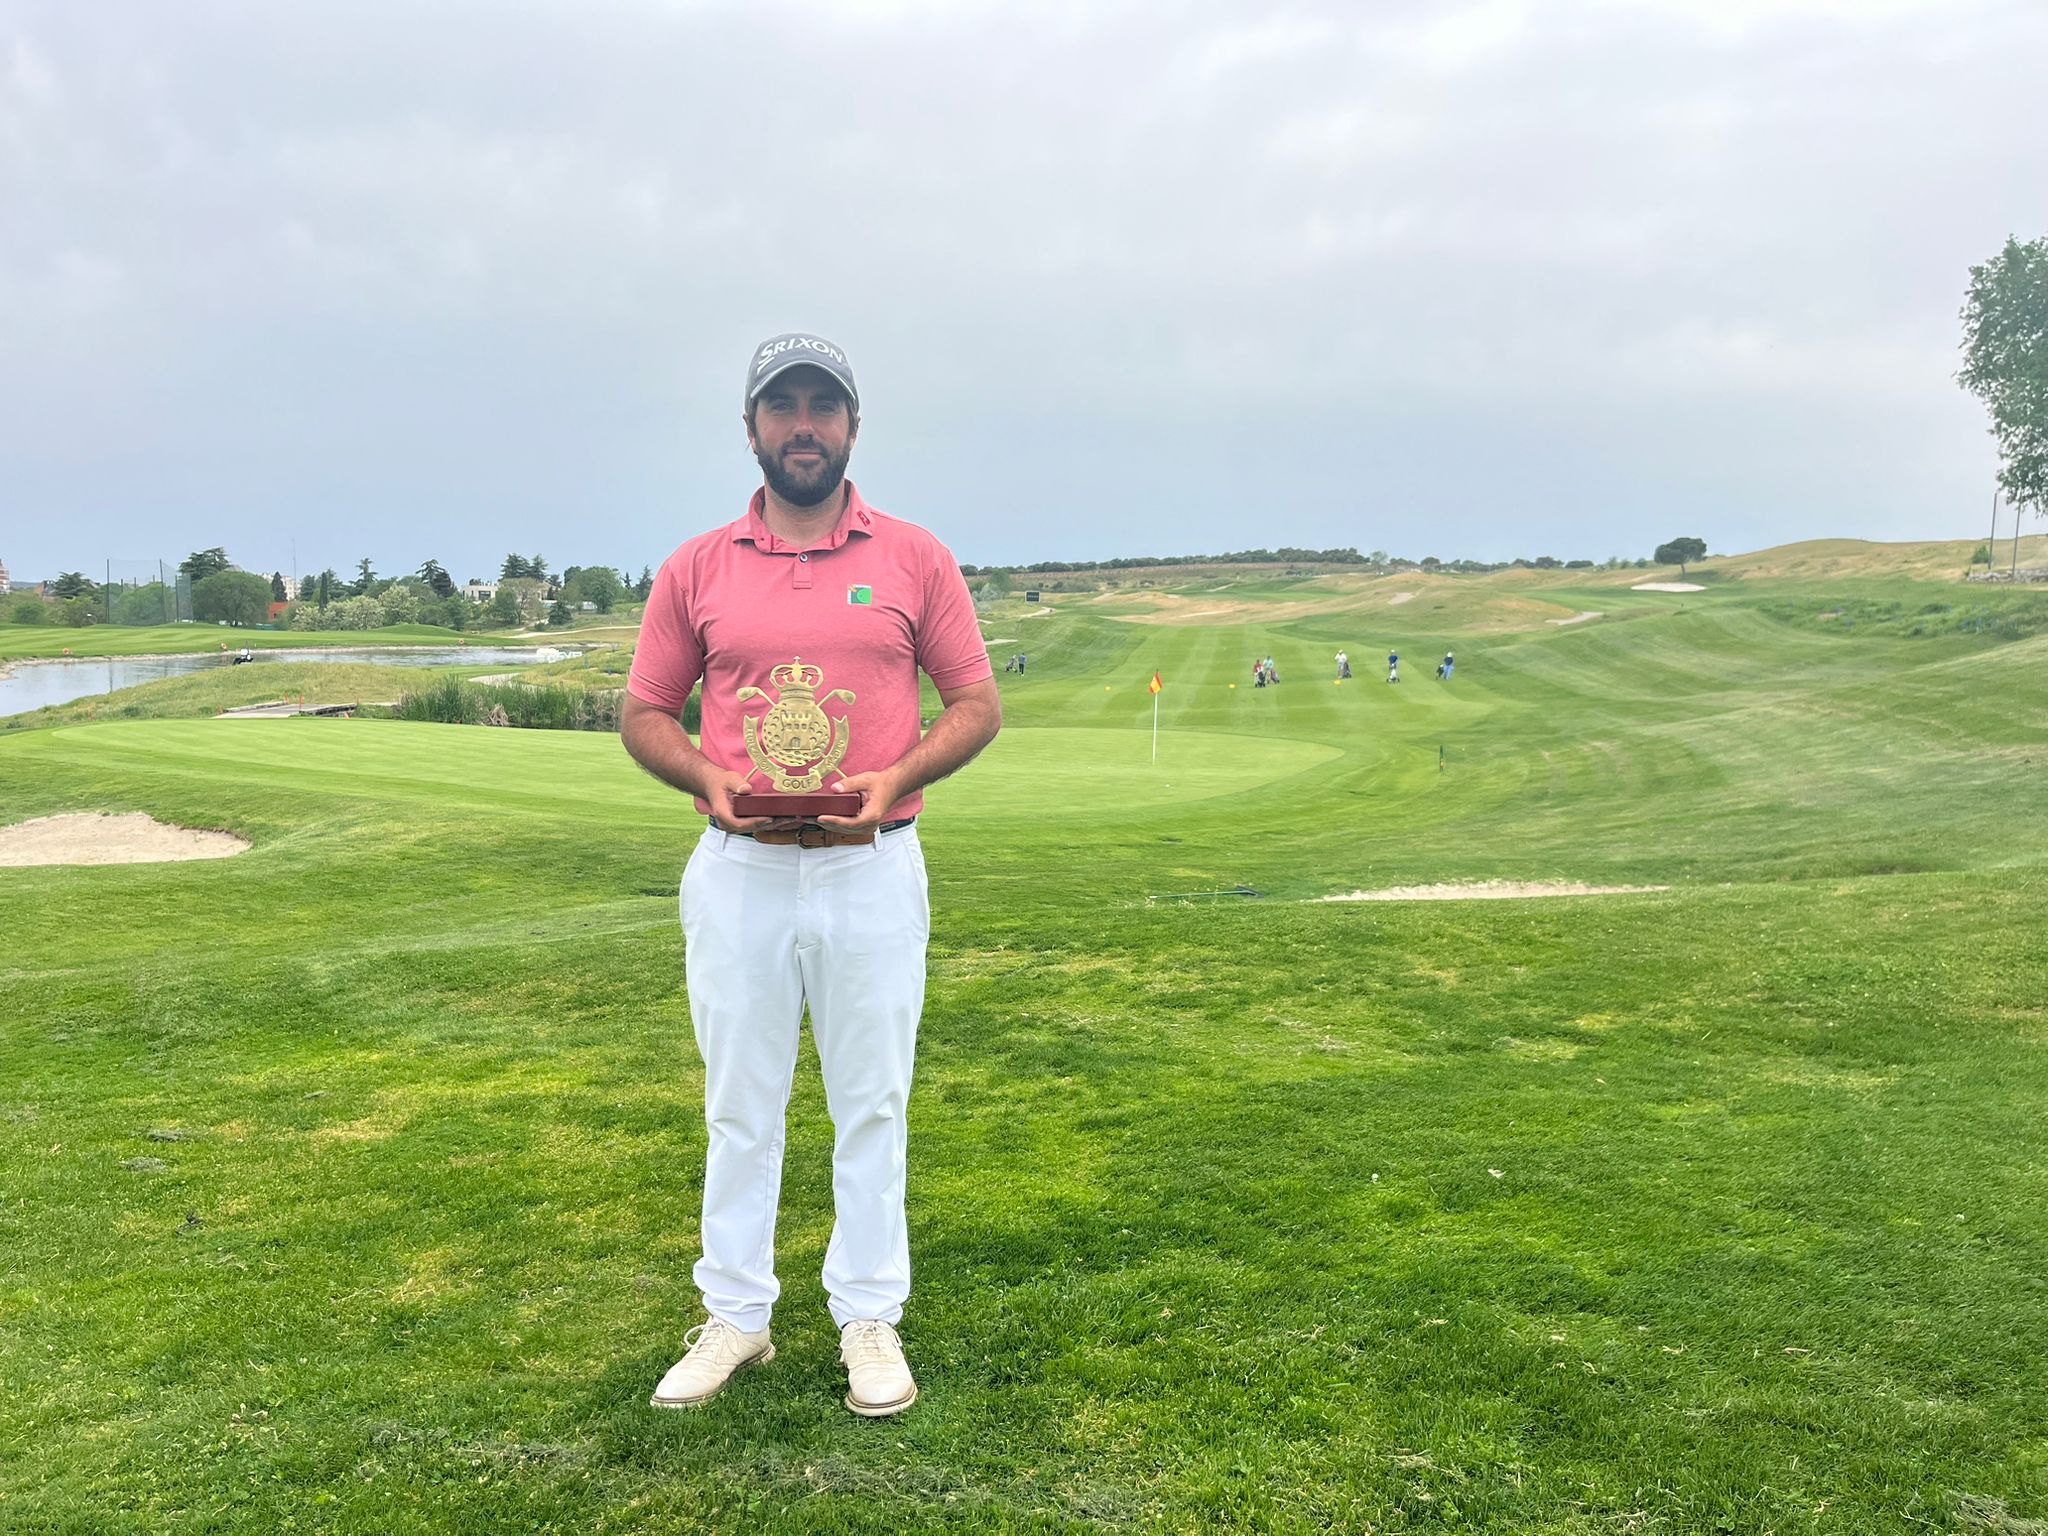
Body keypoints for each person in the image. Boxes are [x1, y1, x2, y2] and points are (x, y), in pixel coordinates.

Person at [620, 333, 1001, 1418]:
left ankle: (867, 1315)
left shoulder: (915, 557)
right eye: (781, 406)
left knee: (870, 1101)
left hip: (870, 866)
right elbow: (644, 712)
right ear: (750, 428)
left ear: (851, 427)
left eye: (821, 407)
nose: (802, 426)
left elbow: (975, 703)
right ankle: (736, 1316)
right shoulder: (697, 566)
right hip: (738, 868)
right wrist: (702, 774)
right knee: (739, 1104)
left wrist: (899, 775)